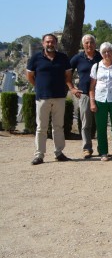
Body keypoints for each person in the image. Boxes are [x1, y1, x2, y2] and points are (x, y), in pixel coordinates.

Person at [27, 33, 74, 165]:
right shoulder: (35, 58)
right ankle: (39, 155)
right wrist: (39, 86)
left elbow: (68, 76)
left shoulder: (63, 58)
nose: (50, 44)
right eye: (47, 42)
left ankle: (58, 153)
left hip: (59, 97)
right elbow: (30, 76)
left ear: (56, 43)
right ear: (43, 43)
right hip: (42, 97)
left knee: (58, 126)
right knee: (41, 127)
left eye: (52, 42)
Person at [89, 42, 112, 161]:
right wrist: (92, 102)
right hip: (100, 99)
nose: (107, 54)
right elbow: (92, 86)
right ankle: (103, 152)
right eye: (104, 52)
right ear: (101, 54)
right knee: (101, 127)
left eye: (109, 51)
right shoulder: (96, 67)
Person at [70, 34, 102, 158]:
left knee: (100, 123)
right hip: (84, 95)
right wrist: (72, 88)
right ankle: (87, 148)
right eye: (87, 43)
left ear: (95, 44)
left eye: (92, 42)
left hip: (100, 94)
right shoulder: (78, 58)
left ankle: (102, 147)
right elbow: (67, 72)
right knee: (86, 124)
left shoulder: (100, 56)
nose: (89, 45)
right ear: (83, 45)